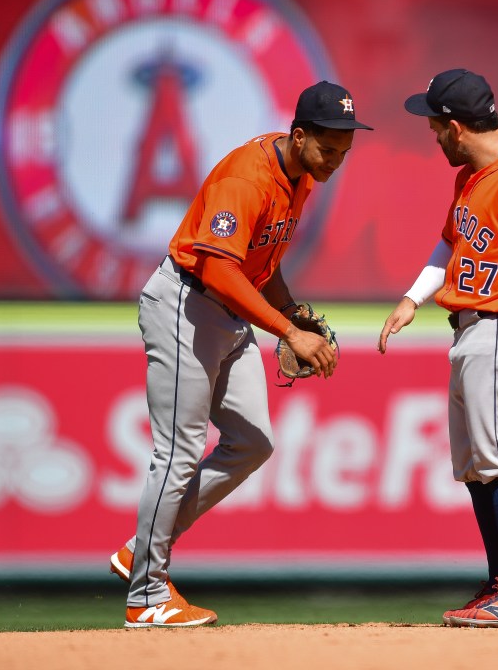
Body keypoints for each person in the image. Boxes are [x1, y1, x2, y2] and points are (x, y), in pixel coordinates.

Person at [110, 81, 371, 628]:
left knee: (253, 442)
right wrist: (288, 333)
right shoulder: (245, 178)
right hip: (187, 306)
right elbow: (218, 268)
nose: (336, 162)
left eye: (344, 152)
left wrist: (294, 313)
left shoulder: (300, 175)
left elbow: (262, 264)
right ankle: (146, 595)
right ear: (299, 136)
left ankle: (142, 549)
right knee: (177, 453)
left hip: (230, 315)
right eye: (328, 149)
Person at [379, 68, 498, 628]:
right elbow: (450, 240)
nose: (432, 135)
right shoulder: (470, 178)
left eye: (435, 125)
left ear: (456, 127)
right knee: (478, 468)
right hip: (466, 330)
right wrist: (413, 297)